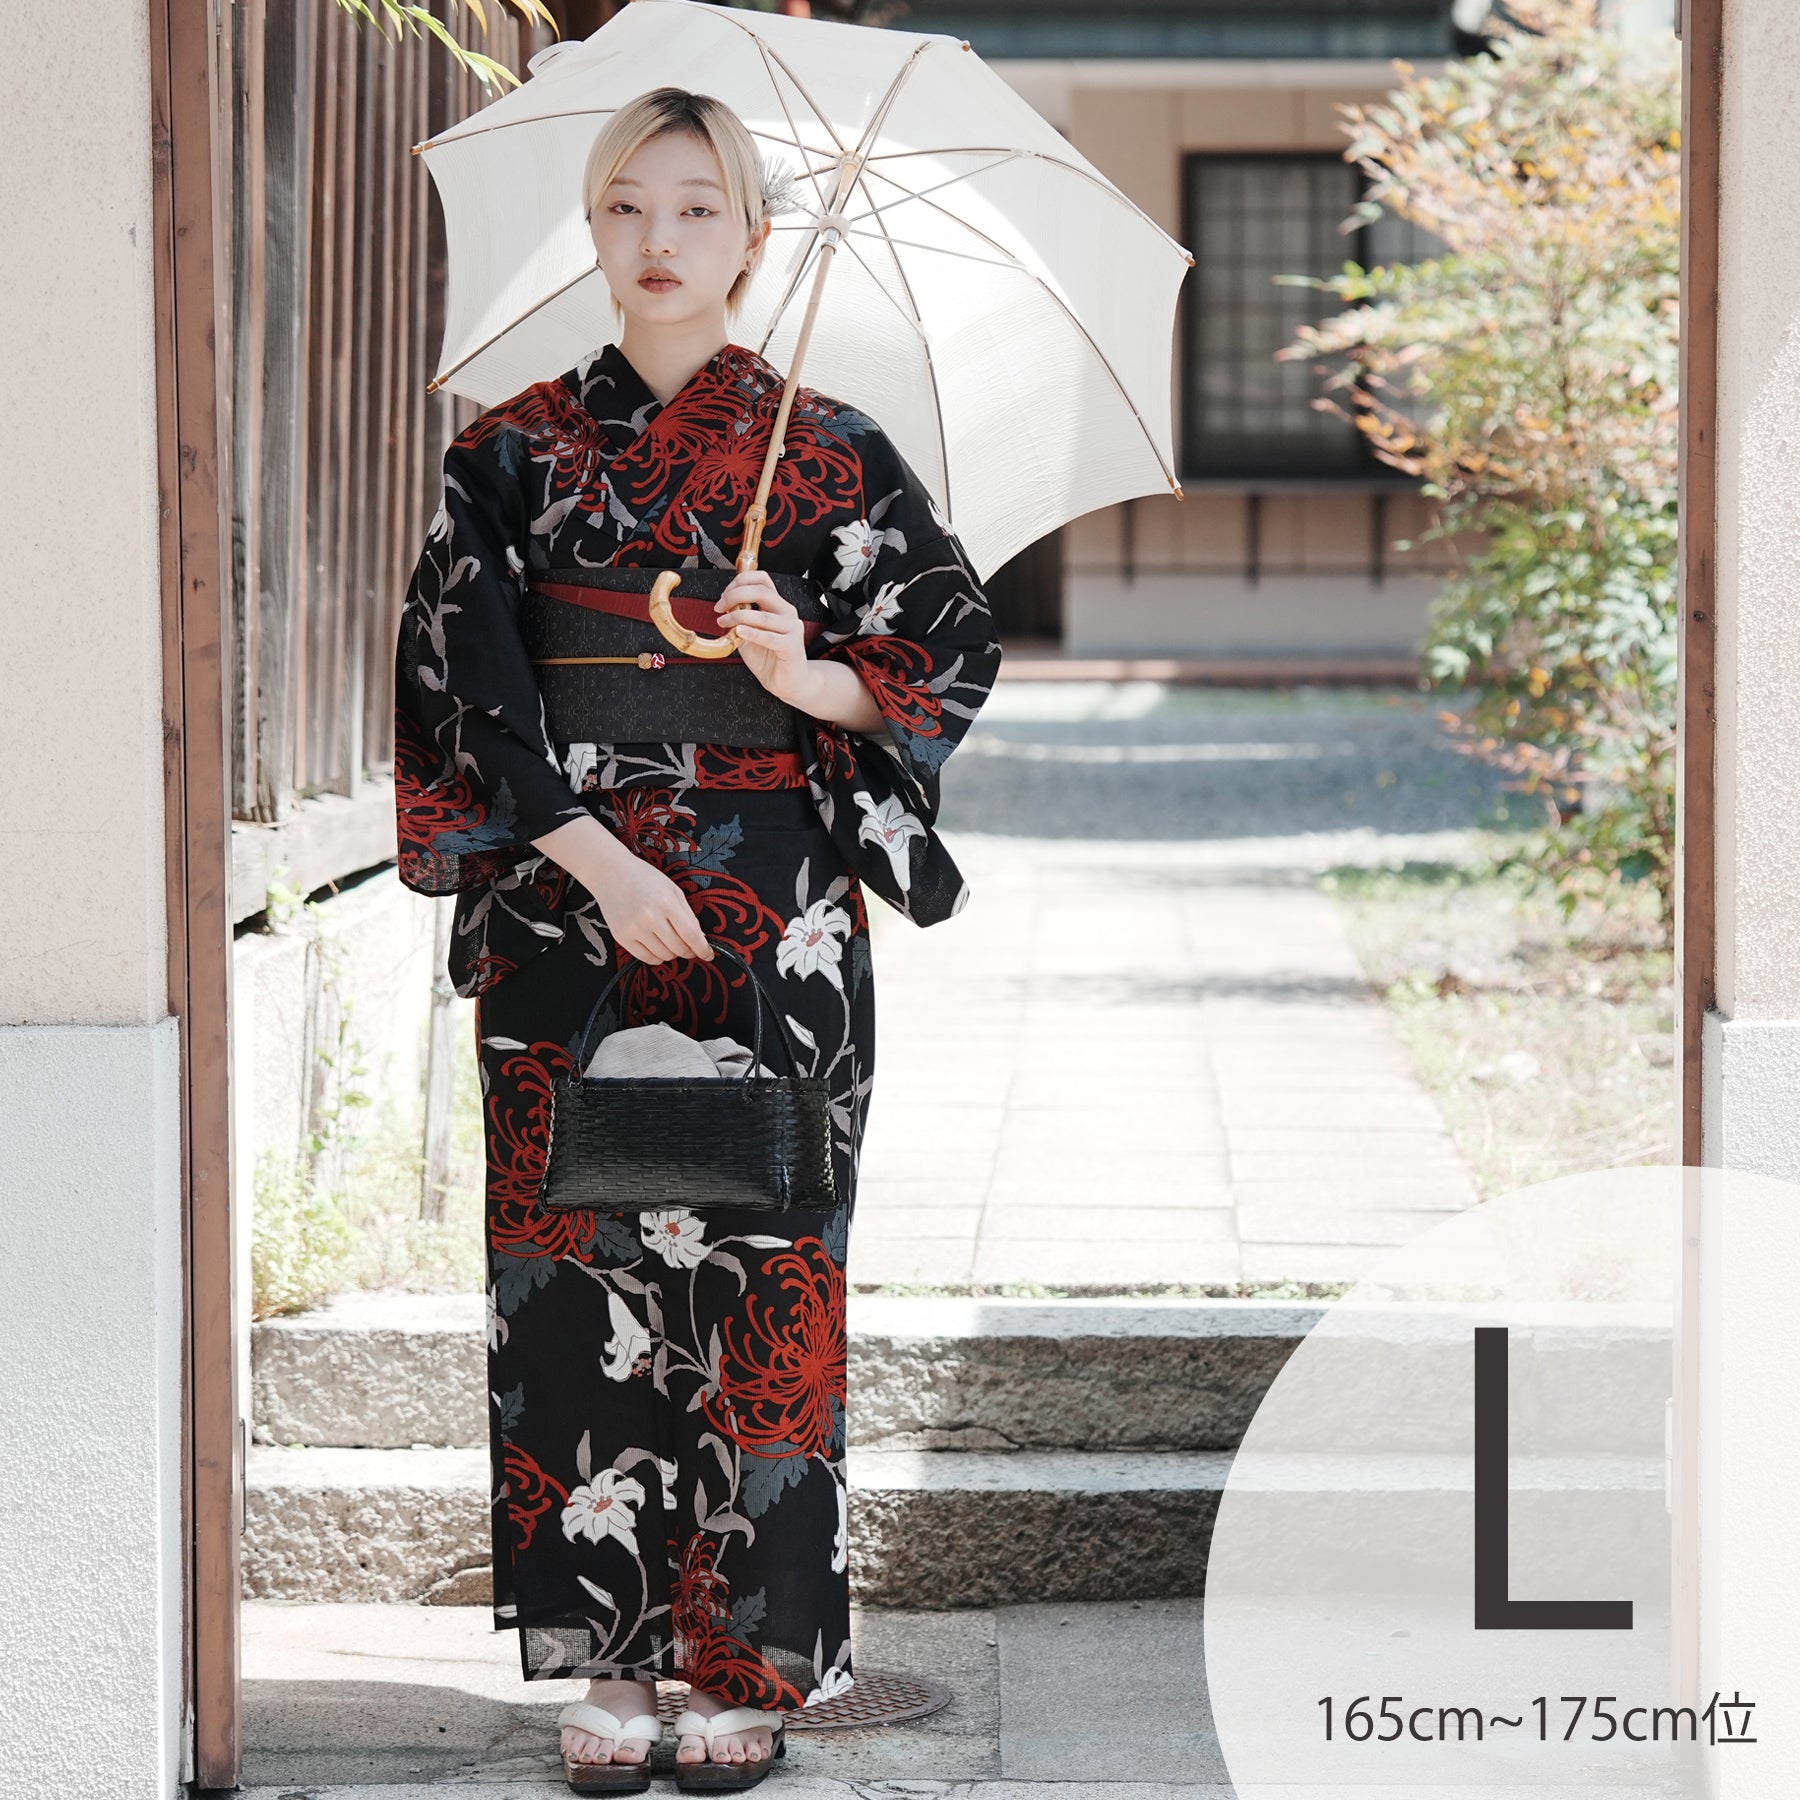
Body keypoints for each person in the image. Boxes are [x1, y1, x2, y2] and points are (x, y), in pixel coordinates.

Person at [393, 87, 999, 1792]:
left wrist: (808, 670)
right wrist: (591, 857)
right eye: (627, 207)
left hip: (769, 907)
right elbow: (458, 683)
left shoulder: (834, 452)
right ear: (591, 228)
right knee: (576, 1269)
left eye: (698, 209)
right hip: (567, 904)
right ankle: (612, 1657)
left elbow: (950, 645)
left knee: (763, 1266)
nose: (659, 242)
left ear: (754, 237)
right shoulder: (508, 454)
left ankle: (746, 1661)